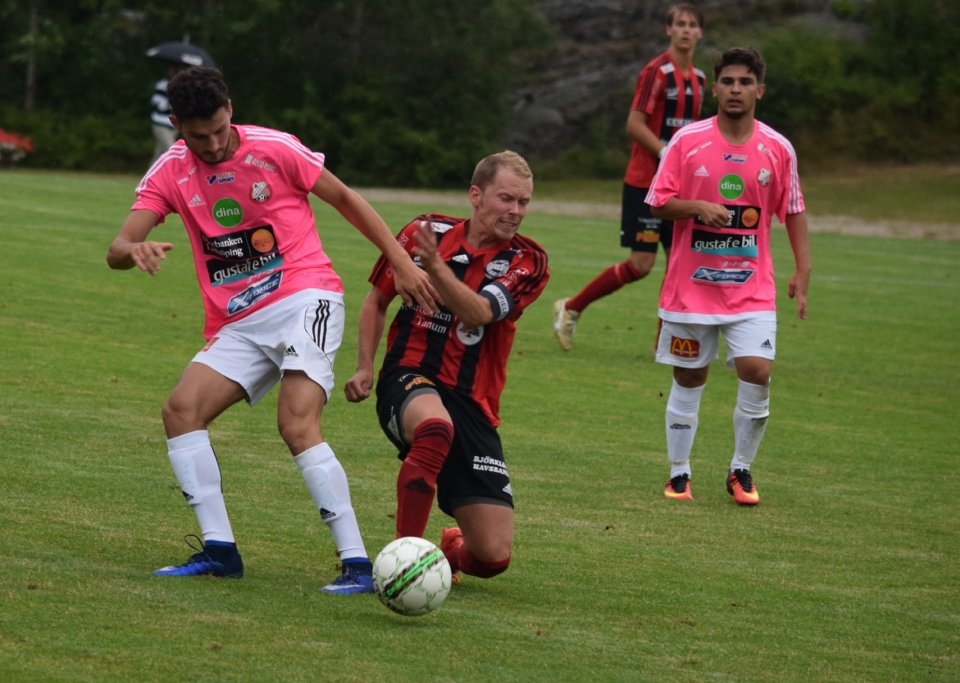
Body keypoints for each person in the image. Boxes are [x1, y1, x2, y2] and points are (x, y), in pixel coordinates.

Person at [106, 67, 438, 592]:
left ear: (230, 110)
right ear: (176, 126)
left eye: (220, 129)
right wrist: (134, 250)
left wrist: (399, 261)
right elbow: (117, 249)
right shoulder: (170, 170)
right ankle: (220, 552)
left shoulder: (274, 149)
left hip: (306, 295)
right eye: (199, 136)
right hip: (240, 320)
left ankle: (356, 564)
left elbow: (345, 198)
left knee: (296, 422)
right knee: (181, 412)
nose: (213, 144)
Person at [345, 152, 549, 580]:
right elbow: (377, 300)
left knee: (492, 557)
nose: (516, 211)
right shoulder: (425, 232)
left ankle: (447, 553)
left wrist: (434, 268)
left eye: (524, 202)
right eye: (506, 199)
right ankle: (403, 563)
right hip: (408, 376)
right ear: (476, 195)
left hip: (472, 402)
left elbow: (478, 313)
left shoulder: (527, 260)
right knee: (435, 427)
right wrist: (364, 368)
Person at [645, 47, 810, 504]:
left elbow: (793, 208)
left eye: (745, 82)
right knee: (689, 378)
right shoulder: (686, 142)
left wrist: (803, 268)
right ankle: (679, 472)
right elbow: (658, 203)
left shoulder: (778, 148)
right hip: (691, 289)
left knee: (758, 372)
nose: (736, 89)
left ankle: (741, 470)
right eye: (729, 82)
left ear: (760, 90)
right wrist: (697, 207)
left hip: (751, 289)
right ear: (715, 89)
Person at [553, 4, 706, 351]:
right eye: (680, 23)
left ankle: (662, 344)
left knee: (680, 265)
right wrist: (666, 153)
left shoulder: (699, 80)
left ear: (700, 32)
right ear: (668, 29)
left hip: (680, 188)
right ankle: (571, 307)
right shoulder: (656, 72)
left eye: (692, 25)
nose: (686, 29)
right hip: (645, 183)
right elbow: (634, 124)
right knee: (641, 264)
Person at [150, 66, 181, 163]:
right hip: (161, 124)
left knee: (159, 155)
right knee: (171, 151)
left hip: (173, 126)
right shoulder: (162, 85)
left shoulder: (181, 87)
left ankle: (151, 172)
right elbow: (157, 103)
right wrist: (170, 101)